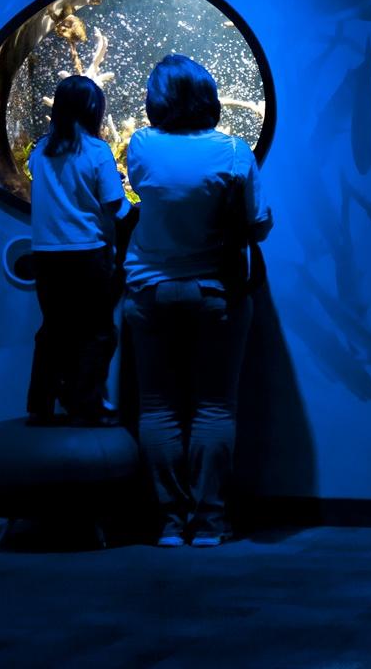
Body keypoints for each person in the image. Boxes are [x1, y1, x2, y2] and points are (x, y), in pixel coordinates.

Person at [122, 54, 271, 548]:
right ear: (208, 97)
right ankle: (209, 524)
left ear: (156, 99)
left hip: (148, 290)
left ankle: (169, 524)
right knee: (213, 408)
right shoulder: (233, 152)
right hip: (216, 292)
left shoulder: (142, 145)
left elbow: (146, 191)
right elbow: (260, 223)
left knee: (158, 408)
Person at [26, 75, 129, 426]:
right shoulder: (97, 151)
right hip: (88, 253)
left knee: (53, 329)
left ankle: (41, 403)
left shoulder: (40, 150)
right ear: (94, 111)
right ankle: (88, 405)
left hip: (46, 254)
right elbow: (115, 204)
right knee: (97, 330)